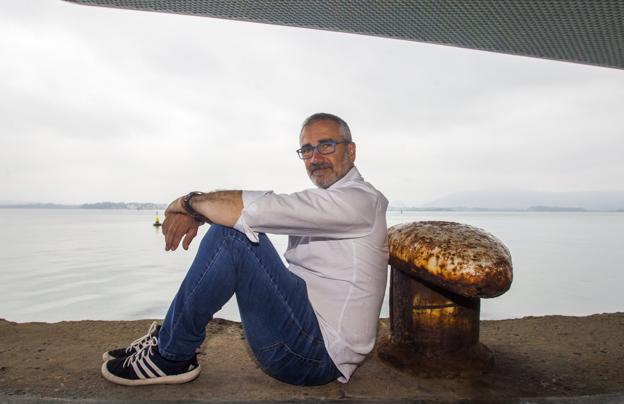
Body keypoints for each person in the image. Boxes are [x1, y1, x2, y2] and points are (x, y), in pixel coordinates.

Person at [100, 113, 389, 386]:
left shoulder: (359, 201)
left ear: (350, 151)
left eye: (326, 146)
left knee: (232, 236)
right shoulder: (332, 200)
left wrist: (186, 204)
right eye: (306, 149)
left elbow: (255, 209)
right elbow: (257, 212)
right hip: (304, 329)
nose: (315, 158)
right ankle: (169, 338)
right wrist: (202, 211)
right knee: (235, 230)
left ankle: (170, 356)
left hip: (314, 356)